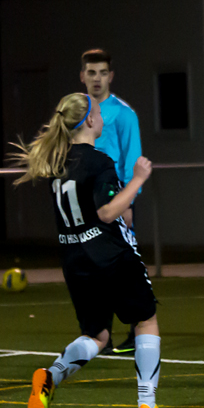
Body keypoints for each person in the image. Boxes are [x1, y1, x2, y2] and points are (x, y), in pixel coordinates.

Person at [11, 92, 165, 408]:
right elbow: (108, 212)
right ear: (91, 121)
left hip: (75, 259)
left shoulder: (57, 162)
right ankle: (147, 404)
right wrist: (138, 178)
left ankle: (50, 377)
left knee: (97, 335)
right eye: (97, 110)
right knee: (145, 319)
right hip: (108, 255)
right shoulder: (98, 161)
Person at [80, 49, 143, 355]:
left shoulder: (123, 114)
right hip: (83, 201)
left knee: (124, 266)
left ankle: (137, 331)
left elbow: (132, 160)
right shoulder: (76, 111)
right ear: (83, 75)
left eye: (102, 72)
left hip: (113, 200)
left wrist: (128, 203)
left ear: (111, 76)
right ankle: (99, 335)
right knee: (91, 267)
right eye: (91, 72)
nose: (97, 78)